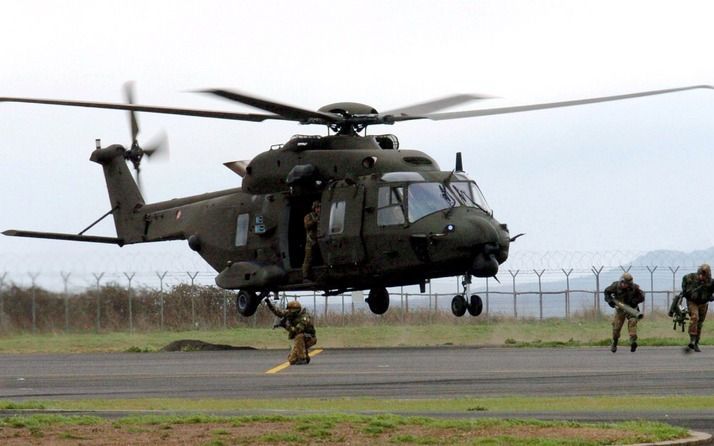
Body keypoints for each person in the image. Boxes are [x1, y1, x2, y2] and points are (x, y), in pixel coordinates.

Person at [264, 298, 317, 365]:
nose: (288, 312)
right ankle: (305, 357)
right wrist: (269, 304)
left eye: (290, 310)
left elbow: (296, 330)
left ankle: (302, 358)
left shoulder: (304, 318)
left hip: (310, 339)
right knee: (292, 360)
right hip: (301, 340)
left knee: (299, 336)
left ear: (296, 311)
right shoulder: (290, 313)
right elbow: (278, 312)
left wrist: (285, 325)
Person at [604, 272, 645, 353]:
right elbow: (606, 292)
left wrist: (635, 301)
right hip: (620, 310)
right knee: (616, 328)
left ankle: (633, 341)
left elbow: (642, 296)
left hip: (632, 310)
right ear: (621, 281)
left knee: (632, 322)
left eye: (628, 284)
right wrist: (610, 301)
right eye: (625, 283)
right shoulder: (615, 286)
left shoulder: (634, 287)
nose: (627, 285)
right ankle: (614, 343)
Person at [680, 264, 714, 352]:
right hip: (692, 302)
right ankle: (692, 339)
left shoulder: (711, 282)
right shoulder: (690, 278)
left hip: (703, 303)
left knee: (700, 323)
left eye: (704, 275)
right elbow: (684, 280)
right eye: (700, 274)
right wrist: (685, 291)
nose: (701, 276)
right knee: (694, 317)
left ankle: (696, 343)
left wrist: (711, 297)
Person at [302, 200, 321, 281]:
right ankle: (305, 276)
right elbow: (307, 225)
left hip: (320, 239)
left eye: (320, 207)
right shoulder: (309, 216)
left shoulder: (323, 216)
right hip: (311, 241)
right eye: (317, 208)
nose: (319, 209)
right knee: (308, 258)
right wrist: (315, 220)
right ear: (314, 208)